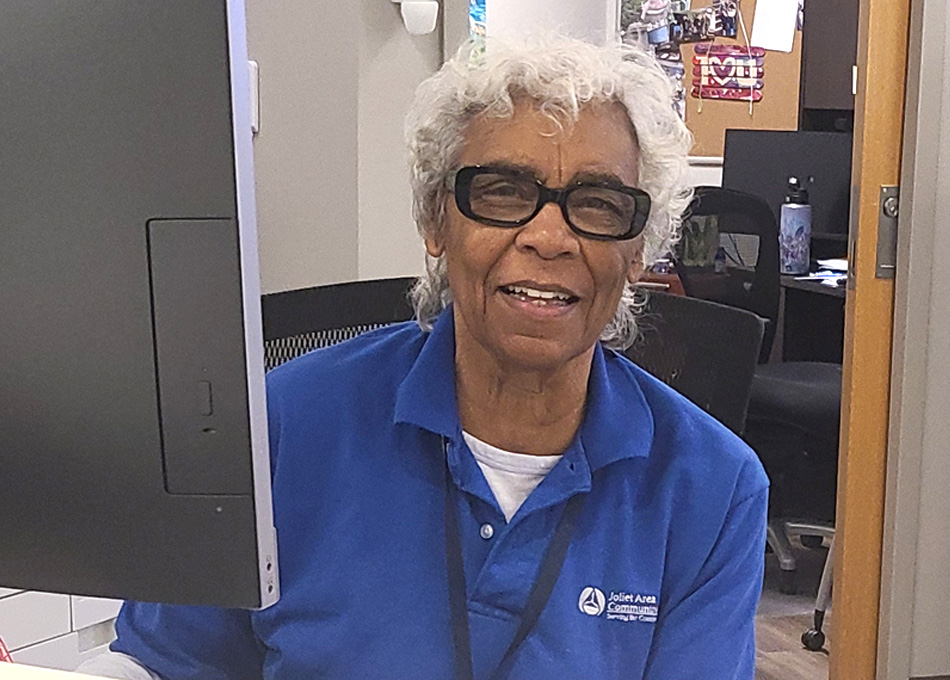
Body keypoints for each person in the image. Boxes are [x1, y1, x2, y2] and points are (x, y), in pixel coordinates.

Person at [80, 34, 768, 680]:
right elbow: (160, 663)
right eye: (504, 192)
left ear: (640, 249)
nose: (550, 237)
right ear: (435, 221)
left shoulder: (712, 489)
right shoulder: (279, 428)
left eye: (598, 203)